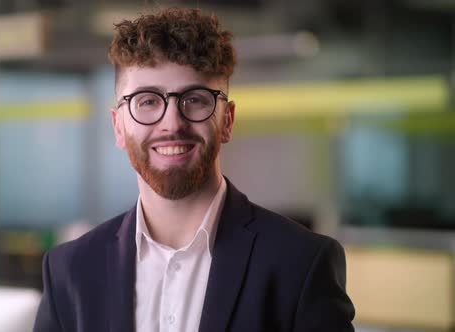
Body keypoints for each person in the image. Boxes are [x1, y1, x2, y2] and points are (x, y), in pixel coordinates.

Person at [34, 7, 355, 332]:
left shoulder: (301, 264)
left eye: (195, 99)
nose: (172, 123)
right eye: (147, 101)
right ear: (118, 126)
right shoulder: (69, 271)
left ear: (227, 121)